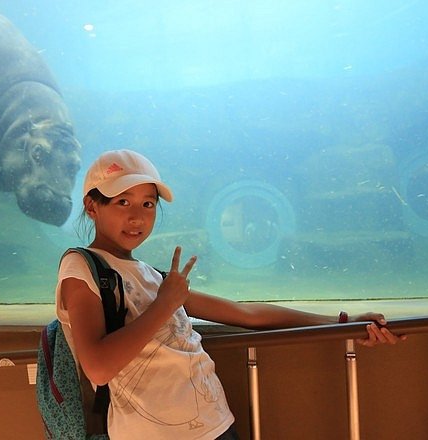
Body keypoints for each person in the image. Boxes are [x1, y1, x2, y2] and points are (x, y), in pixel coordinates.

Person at [55, 149, 404, 440]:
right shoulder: (81, 267)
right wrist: (165, 304)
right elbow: (98, 368)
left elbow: (246, 314)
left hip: (217, 425)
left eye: (148, 204)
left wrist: (343, 323)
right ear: (91, 206)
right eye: (122, 202)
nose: (137, 216)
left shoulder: (152, 276)